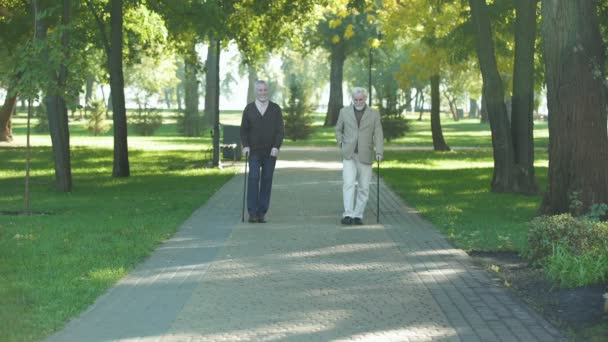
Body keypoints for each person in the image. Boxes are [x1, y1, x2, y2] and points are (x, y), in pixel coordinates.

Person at [335, 87, 384, 225]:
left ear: (365, 98)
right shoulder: (344, 112)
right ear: (352, 98)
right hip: (349, 154)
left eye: (360, 99)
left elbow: (378, 133)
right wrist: (340, 142)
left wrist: (379, 151)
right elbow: (338, 129)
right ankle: (348, 214)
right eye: (355, 99)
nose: (358, 102)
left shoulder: (374, 113)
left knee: (363, 187)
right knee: (348, 184)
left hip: (366, 154)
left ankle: (358, 215)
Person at [240, 80, 284, 223]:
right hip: (253, 151)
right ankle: (252, 213)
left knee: (266, 180)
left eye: (265, 90)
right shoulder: (249, 109)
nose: (263, 93)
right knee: (253, 178)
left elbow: (280, 131)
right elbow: (244, 131)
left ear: (268, 91)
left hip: (270, 152)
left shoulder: (275, 109)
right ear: (256, 92)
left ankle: (261, 212)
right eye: (260, 90)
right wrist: (245, 145)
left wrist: (276, 147)